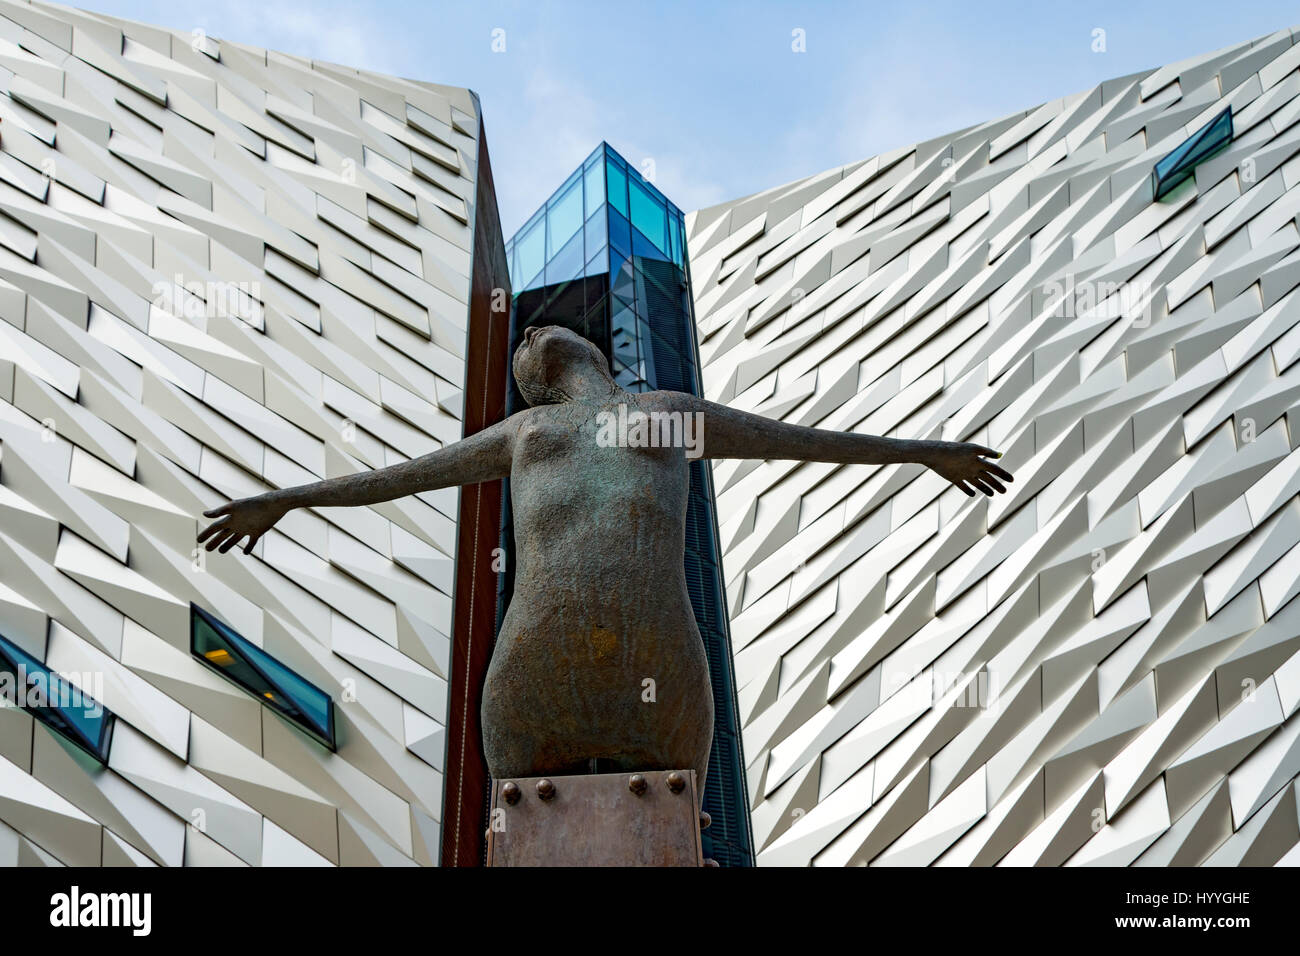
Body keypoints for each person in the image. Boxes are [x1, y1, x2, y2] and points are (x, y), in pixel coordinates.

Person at [198, 325, 1013, 787]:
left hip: (633, 652)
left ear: (588, 356)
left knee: (651, 805)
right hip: (545, 661)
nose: (527, 339)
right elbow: (400, 478)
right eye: (524, 350)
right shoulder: (531, 432)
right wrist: (290, 498)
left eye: (533, 339)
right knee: (525, 807)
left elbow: (792, 442)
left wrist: (919, 451)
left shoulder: (659, 415)